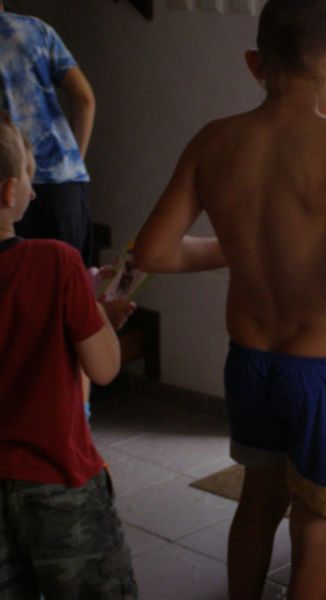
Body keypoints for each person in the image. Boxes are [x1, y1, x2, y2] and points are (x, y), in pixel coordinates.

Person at [132, 1, 326, 598]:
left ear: (255, 63)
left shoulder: (214, 141)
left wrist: (240, 246)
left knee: (259, 503)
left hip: (251, 365)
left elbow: (152, 252)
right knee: (318, 531)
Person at [0, 113, 137, 599]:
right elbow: (104, 367)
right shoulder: (56, 261)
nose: (35, 194)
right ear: (8, 192)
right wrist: (98, 318)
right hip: (55, 480)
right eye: (30, 178)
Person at [0, 0, 96, 265]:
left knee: (15, 281)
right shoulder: (37, 30)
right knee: (71, 278)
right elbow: (85, 98)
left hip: (6, 184)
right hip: (61, 179)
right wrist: (75, 159)